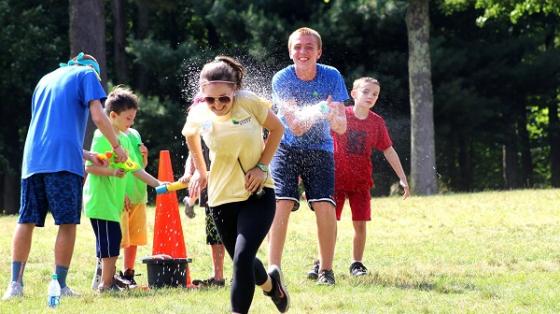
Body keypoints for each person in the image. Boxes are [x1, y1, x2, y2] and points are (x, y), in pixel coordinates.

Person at [2, 52, 128, 300]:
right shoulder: (88, 74)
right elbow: (98, 115)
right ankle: (60, 285)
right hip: (63, 164)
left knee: (25, 220)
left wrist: (88, 155)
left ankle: (14, 285)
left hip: (33, 159)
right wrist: (117, 147)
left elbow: (50, 129)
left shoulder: (46, 79)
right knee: (67, 222)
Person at [183, 56, 289, 313]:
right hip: (220, 198)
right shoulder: (199, 113)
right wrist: (200, 171)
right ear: (202, 95)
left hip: (258, 194)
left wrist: (262, 166)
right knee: (245, 261)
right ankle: (271, 286)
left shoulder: (249, 102)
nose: (217, 104)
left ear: (234, 91)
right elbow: (190, 137)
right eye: (210, 99)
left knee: (241, 259)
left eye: (224, 98)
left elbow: (277, 129)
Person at [268, 27, 348, 286]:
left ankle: (326, 270)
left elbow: (341, 126)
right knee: (282, 202)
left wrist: (331, 114)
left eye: (309, 47)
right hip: (285, 146)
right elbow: (296, 126)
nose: (303, 52)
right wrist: (323, 108)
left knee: (325, 204)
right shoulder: (282, 78)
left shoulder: (332, 76)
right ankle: (274, 269)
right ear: (291, 52)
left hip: (320, 148)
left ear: (319, 52)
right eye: (298, 47)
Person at [83, 86, 161, 292]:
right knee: (111, 243)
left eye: (133, 118)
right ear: (113, 115)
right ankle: (106, 284)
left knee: (111, 242)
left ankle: (107, 281)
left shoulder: (125, 139)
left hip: (112, 203)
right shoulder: (102, 137)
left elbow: (134, 168)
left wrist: (159, 184)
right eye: (128, 118)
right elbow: (89, 167)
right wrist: (111, 172)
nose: (132, 123)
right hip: (100, 201)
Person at [333, 77, 410, 277]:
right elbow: (320, 144)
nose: (370, 96)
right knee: (329, 223)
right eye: (366, 91)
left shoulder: (376, 122)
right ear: (353, 94)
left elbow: (389, 150)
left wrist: (402, 177)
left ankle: (357, 264)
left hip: (361, 182)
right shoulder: (340, 115)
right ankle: (321, 263)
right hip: (335, 180)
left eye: (375, 94)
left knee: (360, 224)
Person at [180, 97, 226, 288]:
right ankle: (218, 277)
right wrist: (187, 172)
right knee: (214, 233)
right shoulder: (199, 127)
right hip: (208, 186)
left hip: (228, 183)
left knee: (233, 231)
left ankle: (244, 271)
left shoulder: (226, 123)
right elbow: (192, 152)